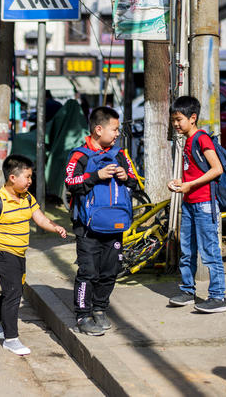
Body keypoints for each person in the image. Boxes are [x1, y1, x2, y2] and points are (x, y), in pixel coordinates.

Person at [0, 155, 68, 355]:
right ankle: (11, 338)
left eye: (31, 177)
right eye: (27, 177)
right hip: (0, 251)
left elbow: (40, 218)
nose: (30, 181)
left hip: (19, 252)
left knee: (14, 289)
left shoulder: (27, 198)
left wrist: (56, 227)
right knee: (14, 291)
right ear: (12, 177)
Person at [64, 107, 137, 336]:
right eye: (114, 129)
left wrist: (127, 177)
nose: (117, 134)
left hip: (115, 226)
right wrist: (96, 176)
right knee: (88, 272)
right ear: (98, 129)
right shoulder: (80, 155)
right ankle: (83, 315)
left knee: (110, 270)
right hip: (87, 228)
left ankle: (100, 308)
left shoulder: (121, 154)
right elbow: (70, 182)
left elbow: (135, 180)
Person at [167, 96, 226, 313]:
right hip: (189, 203)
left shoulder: (201, 139)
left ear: (192, 118)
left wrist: (189, 184)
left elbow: (216, 169)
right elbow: (194, 172)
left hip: (204, 205)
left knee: (209, 252)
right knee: (187, 251)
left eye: (179, 119)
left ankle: (218, 297)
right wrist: (180, 184)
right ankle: (187, 291)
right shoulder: (187, 141)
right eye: (173, 119)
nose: (175, 123)